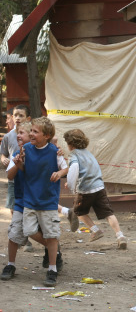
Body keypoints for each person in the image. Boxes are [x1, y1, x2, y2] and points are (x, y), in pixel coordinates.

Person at [8, 117, 68, 286]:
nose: (31, 134)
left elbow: (65, 167)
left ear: (46, 135)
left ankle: (52, 270)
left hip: (48, 202)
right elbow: (24, 170)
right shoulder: (26, 149)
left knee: (51, 234)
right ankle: (52, 250)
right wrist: (18, 164)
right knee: (29, 231)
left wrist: (59, 173)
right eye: (31, 131)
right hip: (29, 201)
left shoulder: (54, 151)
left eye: (35, 131)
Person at [0, 122, 53, 280]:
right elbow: (10, 176)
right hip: (21, 200)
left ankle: (53, 252)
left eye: (22, 132)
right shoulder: (17, 152)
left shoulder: (40, 153)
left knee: (42, 232)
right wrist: (17, 163)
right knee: (14, 232)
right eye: (18, 132)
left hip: (39, 201)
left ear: (32, 135)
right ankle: (11, 264)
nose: (18, 135)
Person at [63, 129, 127, 249]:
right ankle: (120, 236)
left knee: (78, 211)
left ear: (70, 144)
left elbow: (74, 168)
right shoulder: (89, 153)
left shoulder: (73, 155)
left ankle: (95, 230)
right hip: (99, 187)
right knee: (108, 213)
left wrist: (71, 185)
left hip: (86, 190)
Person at [0, 105, 31, 217]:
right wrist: (4, 159)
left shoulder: (32, 135)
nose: (17, 118)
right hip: (13, 176)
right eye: (15, 115)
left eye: (21, 115)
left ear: (28, 118)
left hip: (29, 176)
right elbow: (3, 153)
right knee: (13, 206)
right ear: (12, 117)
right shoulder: (8, 136)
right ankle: (16, 225)